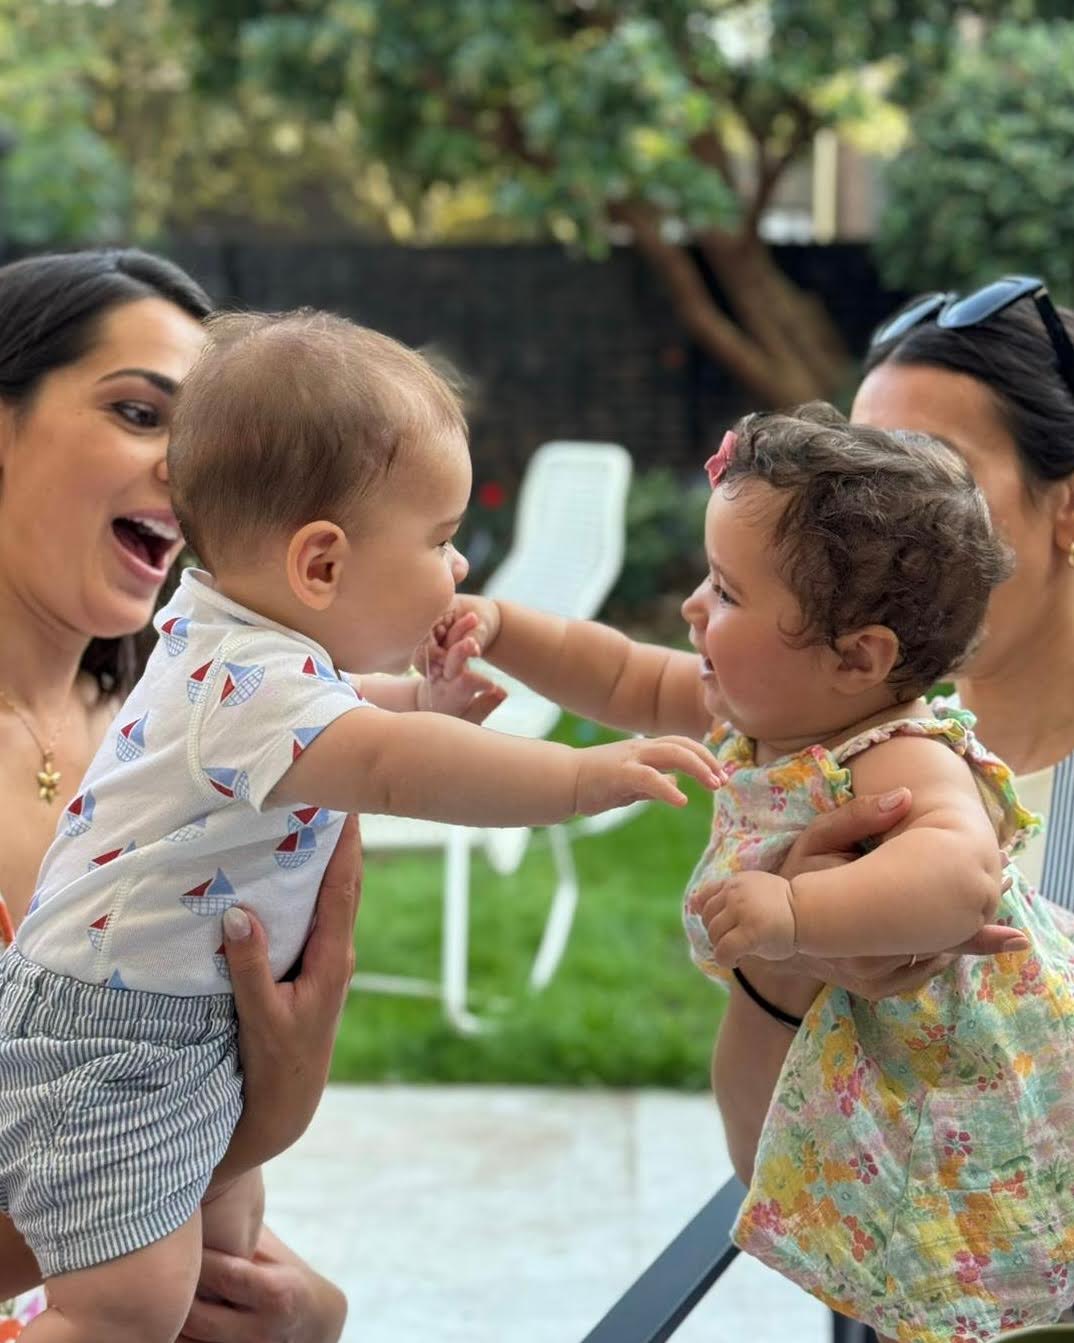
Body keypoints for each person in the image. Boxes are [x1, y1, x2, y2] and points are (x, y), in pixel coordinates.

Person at [0, 308, 723, 1342]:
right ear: (322, 566)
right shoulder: (249, 685)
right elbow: (387, 764)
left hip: (173, 1033)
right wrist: (578, 774)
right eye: (440, 539)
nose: (458, 569)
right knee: (127, 1304)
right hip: (114, 1047)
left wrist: (422, 699)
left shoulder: (236, 652)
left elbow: (346, 715)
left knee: (228, 1255)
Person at [432, 401, 1072, 1339]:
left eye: (727, 593)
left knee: (990, 1260)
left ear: (859, 657)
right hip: (877, 1083)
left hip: (995, 1092)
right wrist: (499, 625)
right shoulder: (758, 710)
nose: (693, 607)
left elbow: (960, 872)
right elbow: (614, 672)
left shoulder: (898, 753)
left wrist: (798, 907)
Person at [0, 248, 351, 1340]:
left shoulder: (183, 753)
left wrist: (304, 1317)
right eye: (139, 413)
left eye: (205, 438)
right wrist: (257, 1123)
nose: (185, 469)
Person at [708, 276, 1074, 1250]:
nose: (876, 524)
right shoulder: (837, 768)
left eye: (930, 469)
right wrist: (784, 964)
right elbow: (760, 1161)